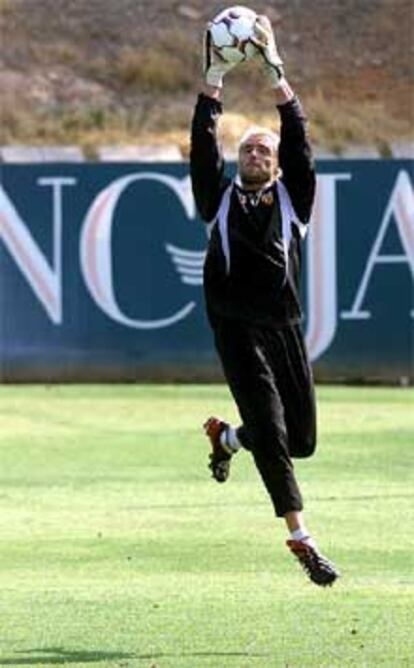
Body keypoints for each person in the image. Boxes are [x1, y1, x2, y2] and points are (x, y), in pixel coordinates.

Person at [190, 16, 339, 586]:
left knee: (300, 440)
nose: (255, 153)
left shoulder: (295, 202)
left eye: (263, 150)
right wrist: (212, 83)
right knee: (275, 437)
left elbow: (298, 141)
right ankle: (302, 537)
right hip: (235, 328)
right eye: (248, 148)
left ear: (276, 166)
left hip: (284, 327)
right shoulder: (218, 199)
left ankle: (229, 437)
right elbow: (203, 148)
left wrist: (278, 78)